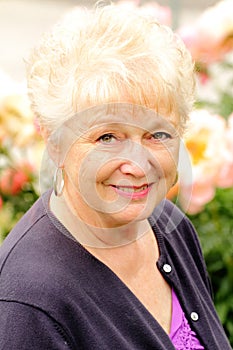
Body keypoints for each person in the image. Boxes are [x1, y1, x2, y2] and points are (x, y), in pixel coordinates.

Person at [0, 3, 231, 350]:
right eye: (107, 137)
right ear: (55, 142)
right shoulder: (31, 303)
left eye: (157, 135)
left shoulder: (170, 226)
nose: (138, 166)